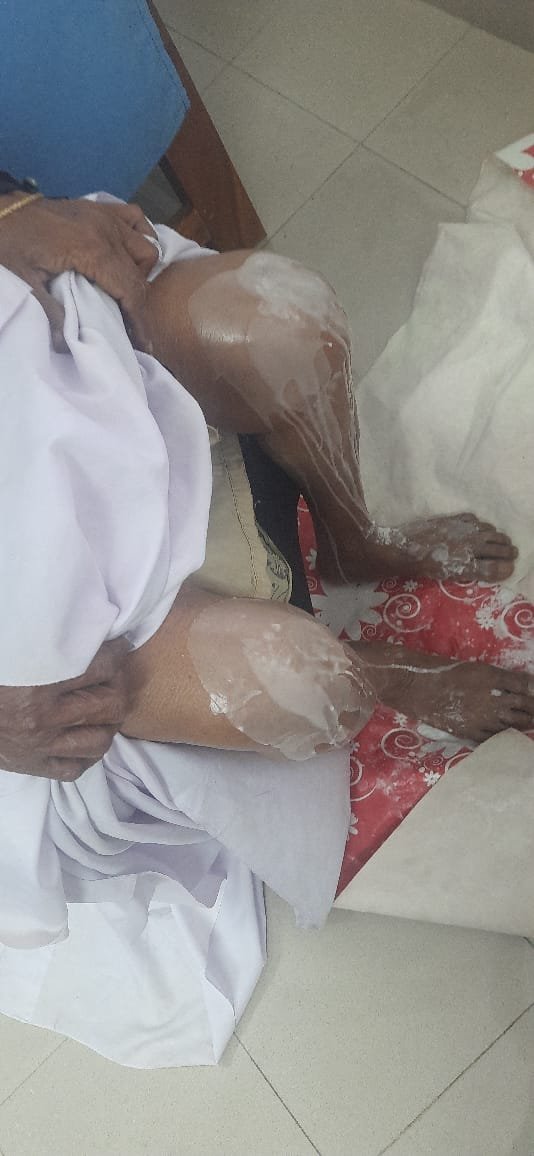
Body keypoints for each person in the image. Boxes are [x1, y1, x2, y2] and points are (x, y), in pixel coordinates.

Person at [0, 176, 532, 1067]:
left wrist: (14, 213)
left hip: (43, 352)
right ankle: (389, 675)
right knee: (300, 690)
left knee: (284, 320)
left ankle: (355, 539)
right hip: (37, 617)